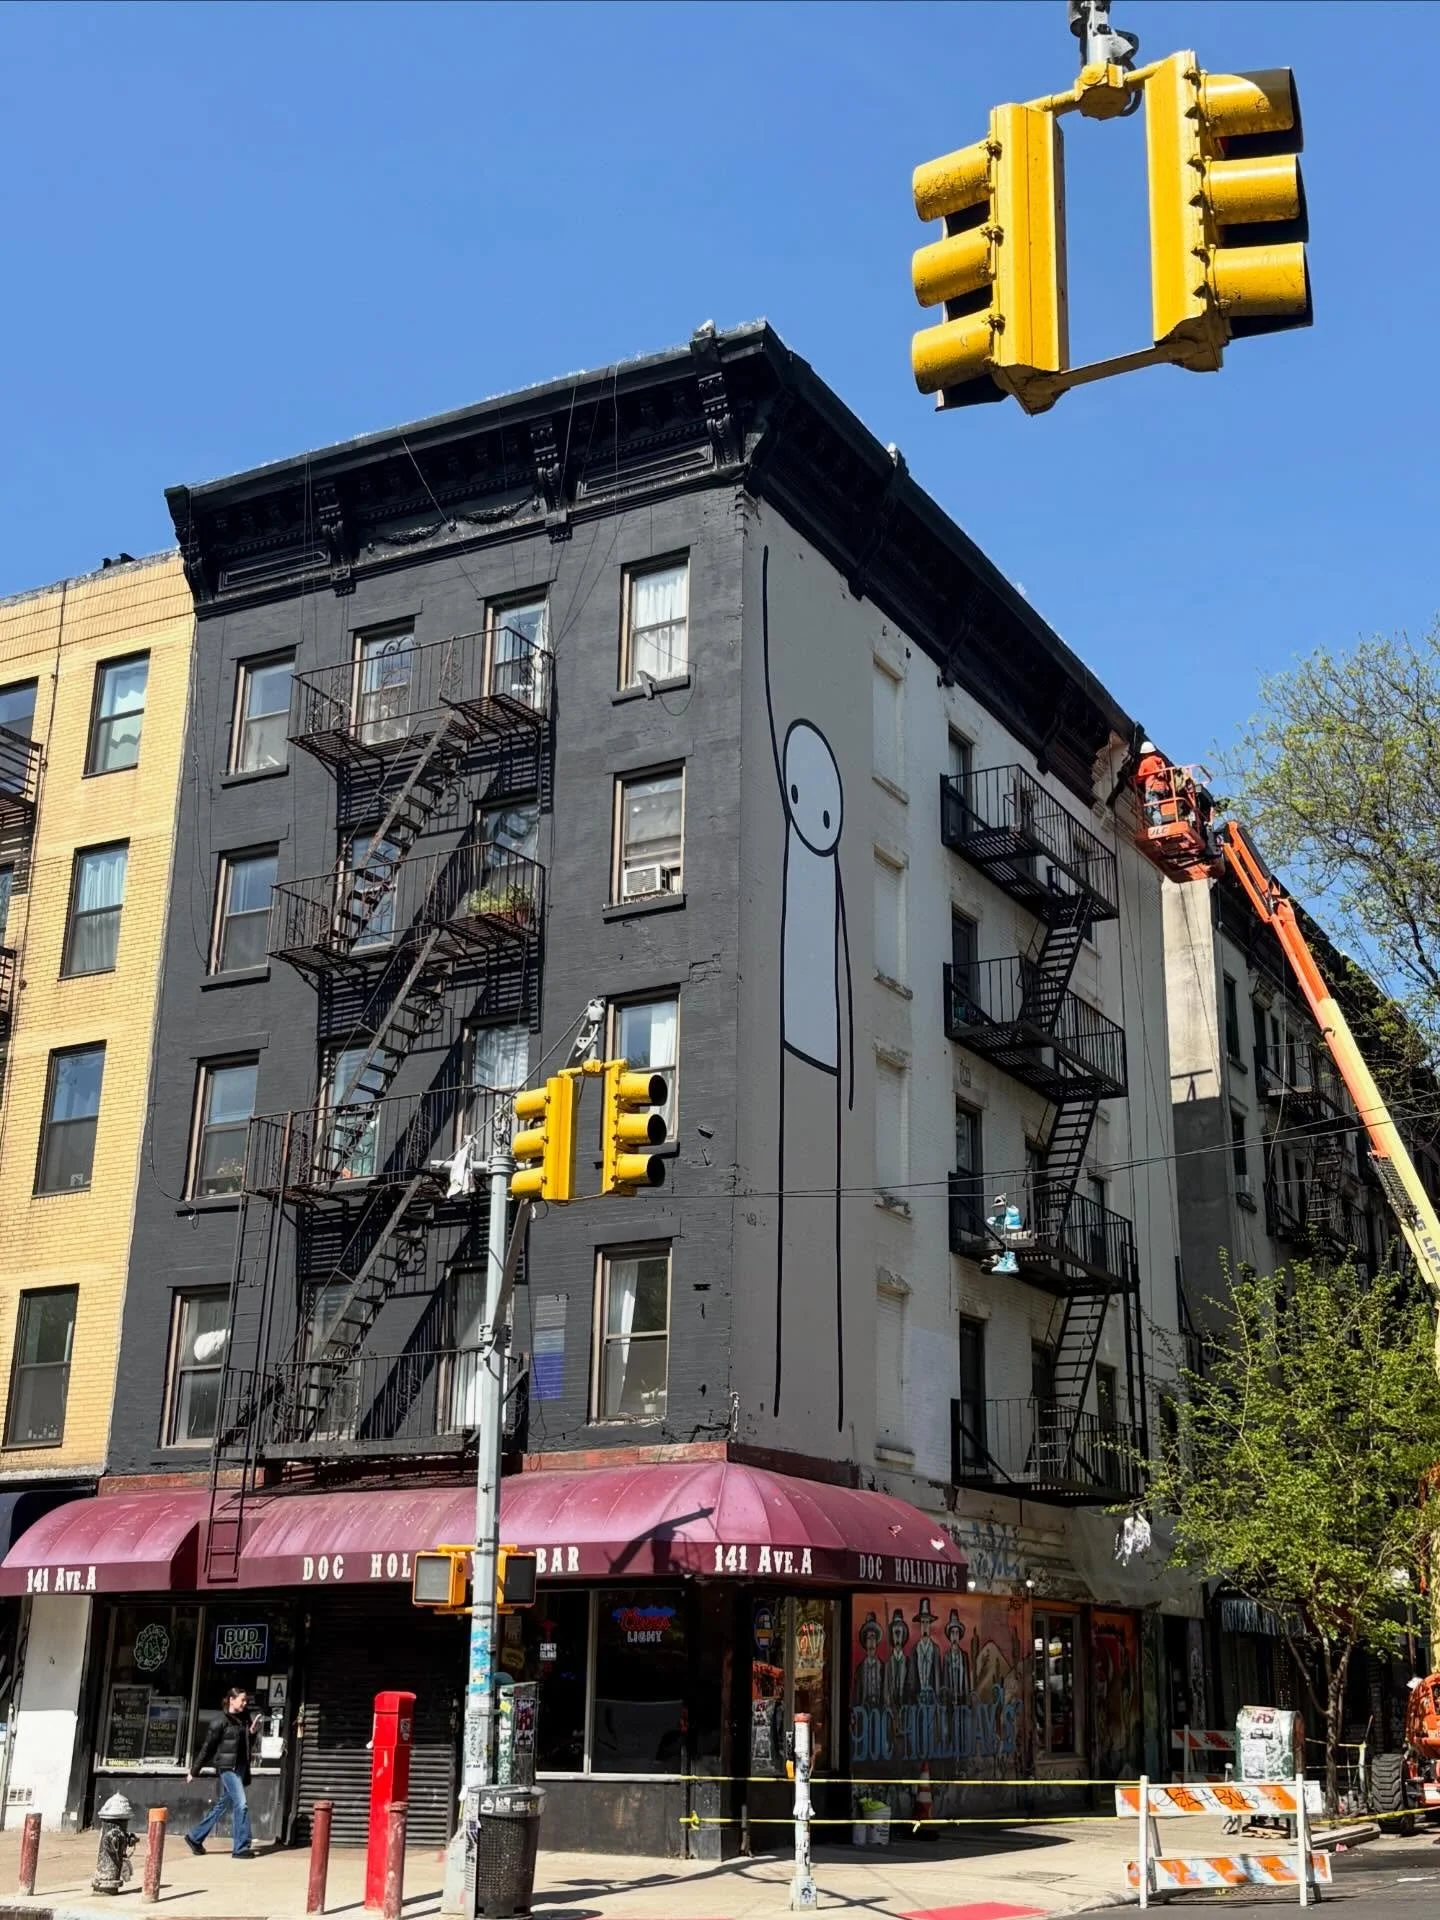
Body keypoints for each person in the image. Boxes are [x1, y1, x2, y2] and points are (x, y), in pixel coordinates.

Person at [185, 1687, 260, 1858]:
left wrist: (252, 1734)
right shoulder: (219, 1721)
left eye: (246, 1700)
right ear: (231, 1700)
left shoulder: (244, 1718)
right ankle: (240, 1848)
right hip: (227, 1768)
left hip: (240, 1767)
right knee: (241, 1804)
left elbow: (247, 1744)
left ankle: (194, 1838)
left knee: (222, 1805)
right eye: (242, 1700)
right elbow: (207, 1748)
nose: (245, 1703)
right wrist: (194, 1771)